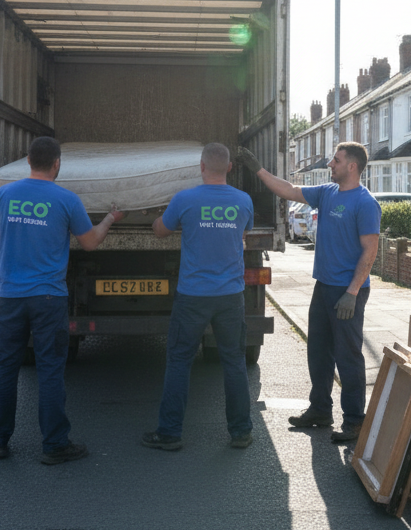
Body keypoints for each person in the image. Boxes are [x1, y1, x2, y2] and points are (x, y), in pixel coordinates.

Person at [0, 136, 124, 464]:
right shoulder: (66, 200)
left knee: (4, 368)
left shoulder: (4, 195)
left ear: (28, 161)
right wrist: (108, 220)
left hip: (10, 297)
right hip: (48, 297)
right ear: (57, 163)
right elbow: (89, 243)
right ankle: (55, 444)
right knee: (49, 369)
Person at [237, 142, 379, 443]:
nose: (331, 164)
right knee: (318, 351)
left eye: (336, 160)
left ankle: (354, 421)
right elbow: (288, 190)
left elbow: (370, 251)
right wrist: (258, 171)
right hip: (324, 286)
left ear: (352, 166)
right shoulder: (327, 193)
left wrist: (352, 292)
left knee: (348, 355)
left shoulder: (365, 203)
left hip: (347, 291)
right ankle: (320, 410)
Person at [141, 143, 255, 452]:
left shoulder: (185, 200)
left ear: (201, 167)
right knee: (233, 362)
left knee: (179, 360)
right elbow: (243, 234)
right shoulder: (243, 201)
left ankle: (169, 433)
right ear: (229, 167)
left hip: (193, 295)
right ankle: (241, 432)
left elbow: (161, 231)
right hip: (231, 295)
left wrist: (156, 219)